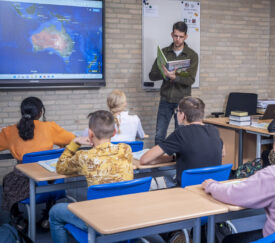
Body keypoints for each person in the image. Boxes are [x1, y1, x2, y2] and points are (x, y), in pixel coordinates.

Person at [49, 110, 133, 243]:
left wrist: (75, 142)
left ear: (90, 133)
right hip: (126, 216)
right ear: (114, 132)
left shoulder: (84, 157)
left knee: (55, 212)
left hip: (98, 221)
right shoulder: (126, 150)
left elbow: (60, 167)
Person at [0, 97, 74, 230]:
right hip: (50, 184)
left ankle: (17, 219)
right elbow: (72, 140)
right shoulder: (50, 127)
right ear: (40, 113)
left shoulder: (10, 131)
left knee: (7, 180)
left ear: (22, 112)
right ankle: (48, 217)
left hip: (23, 186)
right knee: (52, 173)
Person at [140, 96, 223, 186]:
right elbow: (223, 153)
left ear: (183, 115)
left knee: (156, 183)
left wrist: (172, 157)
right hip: (213, 186)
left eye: (177, 111)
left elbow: (144, 159)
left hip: (188, 188)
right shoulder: (214, 130)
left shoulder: (181, 133)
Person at [149, 21, 199, 145]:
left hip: (182, 102)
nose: (178, 39)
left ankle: (178, 163)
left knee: (181, 135)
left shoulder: (192, 55)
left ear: (186, 36)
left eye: (181, 37)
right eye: (175, 36)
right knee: (159, 135)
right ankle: (157, 163)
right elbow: (151, 76)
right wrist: (164, 74)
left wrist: (174, 77)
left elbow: (190, 80)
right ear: (172, 34)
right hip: (165, 100)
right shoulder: (164, 53)